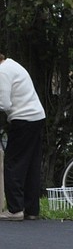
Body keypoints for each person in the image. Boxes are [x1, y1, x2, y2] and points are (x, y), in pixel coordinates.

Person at [0, 53, 46, 221]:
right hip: (37, 117)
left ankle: (15, 210)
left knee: (13, 163)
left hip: (23, 120)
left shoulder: (2, 72)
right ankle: (31, 209)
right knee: (31, 165)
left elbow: (4, 104)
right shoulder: (12, 65)